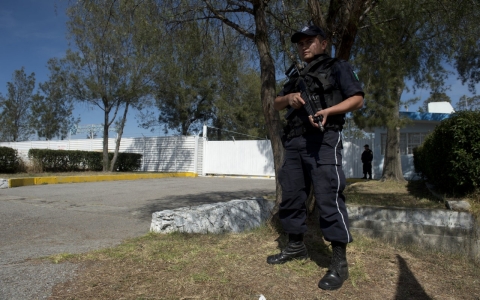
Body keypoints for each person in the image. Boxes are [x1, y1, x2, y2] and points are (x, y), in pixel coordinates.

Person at [267, 25, 364, 291]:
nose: (304, 46)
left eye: (309, 41)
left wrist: (328, 111)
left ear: (323, 43)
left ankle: (339, 263)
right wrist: (290, 97)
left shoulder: (338, 66)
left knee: (328, 196)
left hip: (324, 139)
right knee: (292, 195)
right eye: (300, 43)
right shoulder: (296, 76)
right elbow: (275, 104)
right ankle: (296, 246)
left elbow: (357, 99)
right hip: (295, 141)